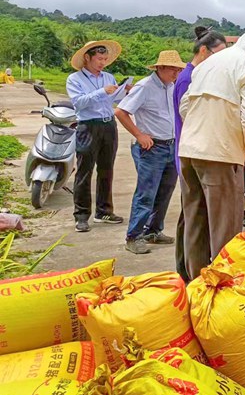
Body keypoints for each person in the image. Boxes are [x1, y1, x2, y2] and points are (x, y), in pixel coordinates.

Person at [179, 30, 245, 279]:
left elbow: (185, 107)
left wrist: (202, 126)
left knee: (195, 222)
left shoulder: (207, 64)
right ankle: (222, 287)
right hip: (220, 155)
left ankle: (196, 284)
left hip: (189, 152)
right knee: (225, 227)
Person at [115, 51, 185, 254]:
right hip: (152, 147)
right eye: (173, 68)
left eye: (179, 69)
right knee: (146, 193)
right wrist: (139, 134)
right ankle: (133, 236)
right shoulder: (145, 86)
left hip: (171, 146)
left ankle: (153, 230)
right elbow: (121, 111)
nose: (177, 72)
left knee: (165, 192)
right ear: (160, 68)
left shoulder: (172, 87)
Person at [173, 26, 227, 281]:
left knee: (192, 215)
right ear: (203, 51)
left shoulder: (195, 75)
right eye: (217, 54)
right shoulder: (189, 78)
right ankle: (187, 272)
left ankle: (188, 269)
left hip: (191, 152)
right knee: (191, 217)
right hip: (191, 153)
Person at [66, 40, 127, 232]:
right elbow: (79, 103)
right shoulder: (75, 79)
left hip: (108, 124)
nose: (102, 62)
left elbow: (115, 99)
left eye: (105, 59)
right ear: (87, 57)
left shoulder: (108, 76)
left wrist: (125, 91)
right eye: (99, 59)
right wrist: (102, 91)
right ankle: (81, 215)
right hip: (88, 126)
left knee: (106, 169)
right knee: (85, 171)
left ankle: (104, 211)